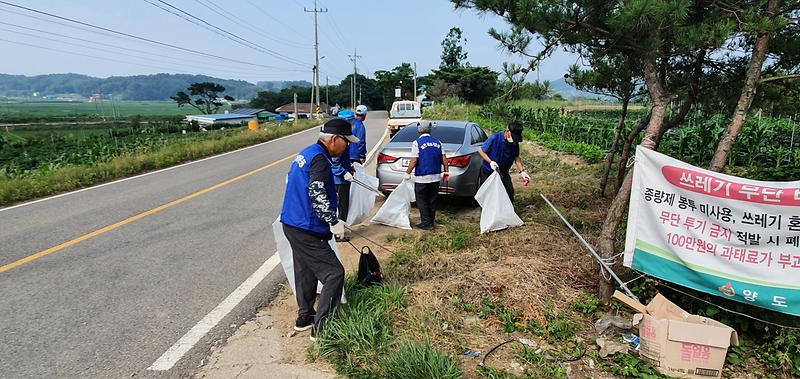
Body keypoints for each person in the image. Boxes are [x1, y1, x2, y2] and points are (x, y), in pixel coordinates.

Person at [280, 118, 359, 341]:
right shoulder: (320, 161)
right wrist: (333, 221)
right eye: (346, 142)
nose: (347, 147)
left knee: (305, 271)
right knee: (334, 273)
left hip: (293, 223)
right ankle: (323, 328)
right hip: (306, 226)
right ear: (335, 139)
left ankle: (305, 317)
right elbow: (317, 193)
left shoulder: (307, 153)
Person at [404, 121, 449, 230]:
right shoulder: (438, 142)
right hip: (436, 176)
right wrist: (447, 171)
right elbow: (444, 158)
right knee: (432, 199)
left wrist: (407, 172)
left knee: (421, 200)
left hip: (422, 177)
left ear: (419, 130)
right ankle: (431, 221)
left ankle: (426, 222)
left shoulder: (417, 143)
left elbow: (414, 160)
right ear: (430, 130)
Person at [477, 122, 531, 202]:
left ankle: (507, 212)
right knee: (488, 195)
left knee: (509, 192)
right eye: (513, 137)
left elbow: (516, 157)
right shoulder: (495, 138)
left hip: (503, 172)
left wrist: (522, 171)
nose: (513, 140)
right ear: (507, 131)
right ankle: (488, 213)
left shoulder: (514, 143)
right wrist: (491, 162)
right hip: (488, 171)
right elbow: (481, 151)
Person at [331, 110, 356, 238]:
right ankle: (339, 234)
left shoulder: (342, 138)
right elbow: (334, 162)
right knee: (341, 207)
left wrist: (349, 167)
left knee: (342, 207)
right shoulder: (338, 141)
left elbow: (341, 160)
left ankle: (339, 231)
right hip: (339, 181)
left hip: (342, 179)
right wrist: (344, 172)